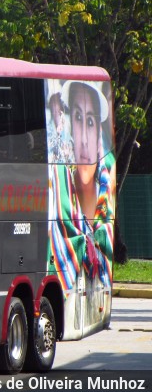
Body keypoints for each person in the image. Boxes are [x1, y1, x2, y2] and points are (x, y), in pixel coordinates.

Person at [48, 79, 115, 332]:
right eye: (77, 118)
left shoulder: (105, 199)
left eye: (90, 121)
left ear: (99, 131)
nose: (84, 139)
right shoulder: (57, 199)